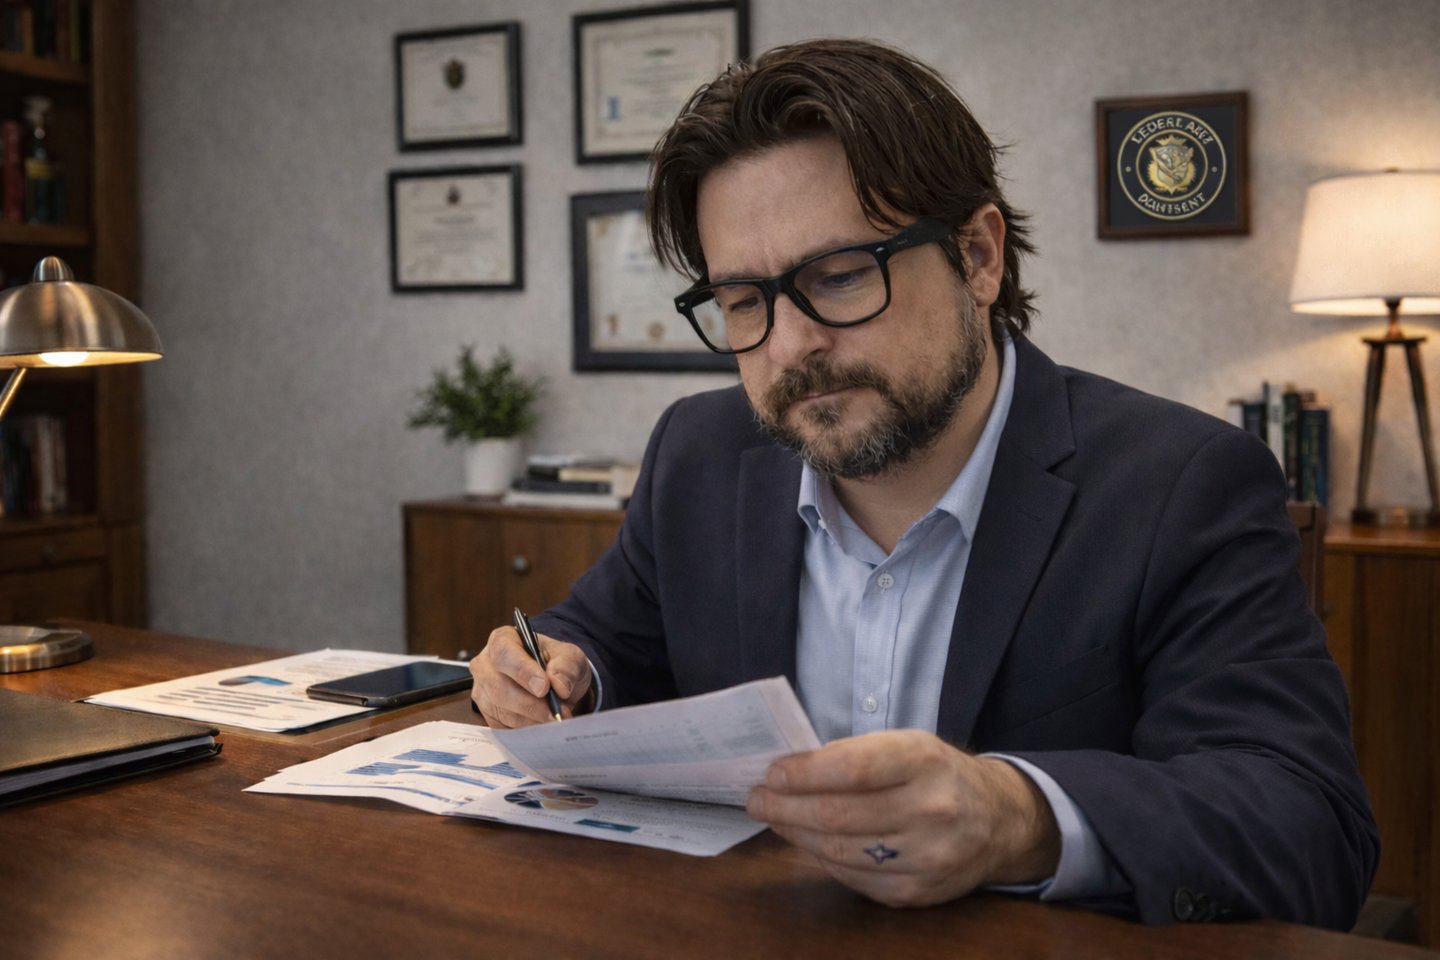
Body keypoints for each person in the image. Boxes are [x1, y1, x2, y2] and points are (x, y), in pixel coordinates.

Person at [470, 38, 1377, 927]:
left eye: (839, 275)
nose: (791, 345)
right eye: (745, 301)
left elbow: (1307, 826)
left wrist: (1017, 818)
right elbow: (607, 635)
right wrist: (562, 669)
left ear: (978, 257)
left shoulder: (1183, 484)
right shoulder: (701, 453)